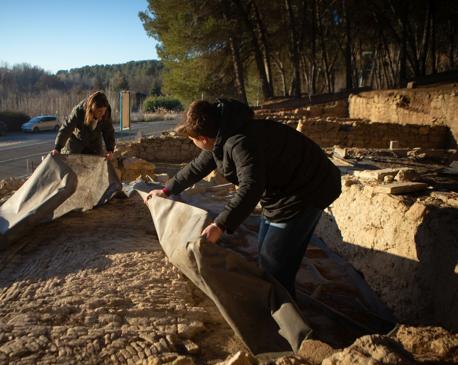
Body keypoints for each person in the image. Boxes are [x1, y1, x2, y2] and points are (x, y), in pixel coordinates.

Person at [145, 99, 341, 301]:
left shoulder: (240, 142)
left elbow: (251, 187)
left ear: (203, 138)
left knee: (275, 265)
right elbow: (197, 167)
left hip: (307, 189)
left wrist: (220, 224)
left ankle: (287, 323)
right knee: (267, 253)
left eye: (192, 139)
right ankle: (277, 302)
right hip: (282, 190)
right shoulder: (222, 133)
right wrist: (166, 190)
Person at [51, 91, 115, 159]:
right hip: (77, 143)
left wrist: (110, 150)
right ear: (92, 108)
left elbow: (109, 132)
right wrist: (57, 148)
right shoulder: (79, 111)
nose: (102, 113)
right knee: (74, 165)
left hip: (94, 144)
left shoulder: (106, 113)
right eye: (99, 111)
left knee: (95, 166)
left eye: (104, 110)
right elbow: (67, 128)